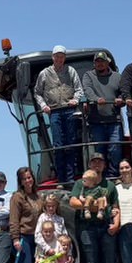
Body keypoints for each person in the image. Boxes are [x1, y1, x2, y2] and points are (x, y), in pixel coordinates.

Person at [70, 154, 120, 263]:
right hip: (87, 228)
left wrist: (117, 223)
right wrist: (93, 208)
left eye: (100, 162)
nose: (97, 164)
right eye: (94, 162)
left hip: (105, 228)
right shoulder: (80, 183)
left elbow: (115, 206)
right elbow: (72, 202)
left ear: (104, 165)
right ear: (90, 164)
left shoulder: (110, 186)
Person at [33, 45, 84, 184]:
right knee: (58, 145)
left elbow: (79, 89)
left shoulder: (71, 71)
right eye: (57, 56)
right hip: (54, 111)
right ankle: (61, 179)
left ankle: (71, 178)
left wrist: (76, 99)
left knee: (71, 144)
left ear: (64, 58)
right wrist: (43, 105)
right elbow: (37, 92)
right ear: (53, 57)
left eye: (62, 56)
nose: (59, 59)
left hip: (69, 109)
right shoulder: (44, 73)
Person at [82, 51, 124, 178]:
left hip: (114, 120)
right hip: (96, 122)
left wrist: (121, 99)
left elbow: (125, 91)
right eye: (97, 62)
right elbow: (87, 90)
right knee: (99, 152)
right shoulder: (88, 76)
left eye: (102, 61)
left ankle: (113, 176)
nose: (99, 64)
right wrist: (95, 99)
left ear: (107, 63)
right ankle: (100, 177)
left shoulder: (117, 77)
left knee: (116, 149)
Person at [9, 166, 43, 263]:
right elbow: (14, 219)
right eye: (24, 179)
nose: (28, 181)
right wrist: (15, 239)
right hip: (24, 238)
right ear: (20, 182)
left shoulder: (38, 196)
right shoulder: (17, 197)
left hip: (38, 238)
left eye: (29, 177)